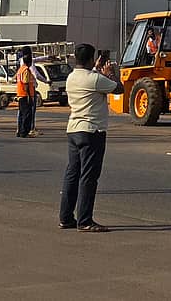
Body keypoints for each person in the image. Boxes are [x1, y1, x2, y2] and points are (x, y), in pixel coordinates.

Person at [59, 44, 123, 232]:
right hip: (92, 131)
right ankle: (85, 220)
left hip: (74, 130)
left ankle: (66, 217)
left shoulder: (72, 77)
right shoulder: (95, 79)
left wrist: (96, 68)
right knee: (89, 176)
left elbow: (89, 77)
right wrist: (110, 72)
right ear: (89, 59)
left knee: (72, 173)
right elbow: (119, 89)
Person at [15, 47, 36, 138]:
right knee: (27, 114)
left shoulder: (20, 69)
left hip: (20, 93)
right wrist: (29, 97)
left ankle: (20, 131)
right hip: (25, 94)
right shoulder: (26, 70)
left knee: (21, 114)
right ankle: (24, 132)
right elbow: (26, 83)